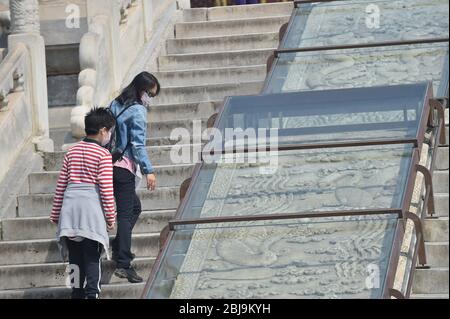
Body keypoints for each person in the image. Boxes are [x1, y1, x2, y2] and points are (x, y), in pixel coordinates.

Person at [50, 108, 116, 299]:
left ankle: (76, 292)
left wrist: (56, 214)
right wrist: (110, 217)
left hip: (70, 210)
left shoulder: (72, 151)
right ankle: (92, 293)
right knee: (92, 255)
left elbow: (61, 184)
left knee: (75, 257)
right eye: (109, 131)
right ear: (103, 130)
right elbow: (105, 188)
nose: (110, 135)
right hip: (91, 210)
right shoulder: (103, 155)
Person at [109, 71, 160, 283]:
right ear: (142, 91)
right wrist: (148, 170)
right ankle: (123, 264)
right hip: (123, 167)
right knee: (126, 212)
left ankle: (119, 244)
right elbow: (138, 145)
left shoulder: (116, 102)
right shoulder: (138, 111)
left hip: (110, 163)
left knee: (134, 208)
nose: (150, 99)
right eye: (150, 94)